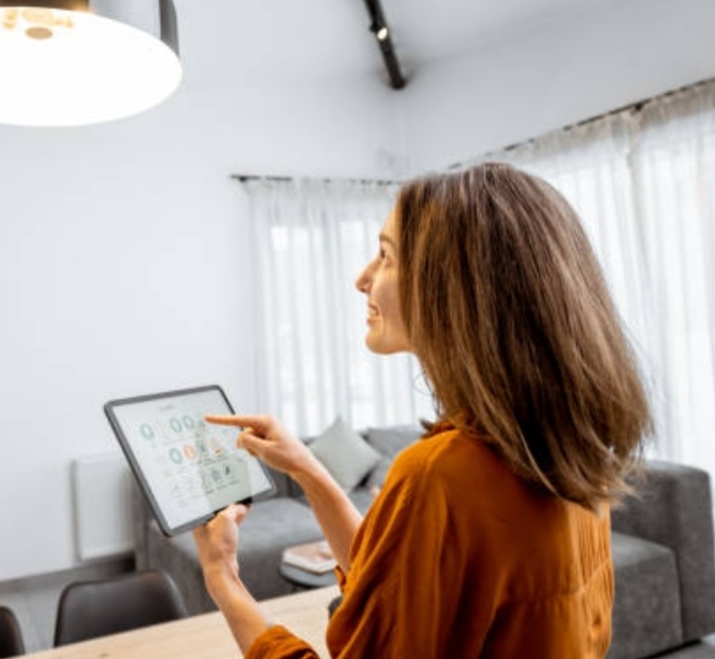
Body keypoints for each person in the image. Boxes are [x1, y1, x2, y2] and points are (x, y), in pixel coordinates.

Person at [194, 162, 651, 658]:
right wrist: (307, 468)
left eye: (386, 256)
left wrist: (224, 579)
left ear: (453, 286)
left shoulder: (441, 476)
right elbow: (400, 589)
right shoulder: (569, 453)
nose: (362, 278)